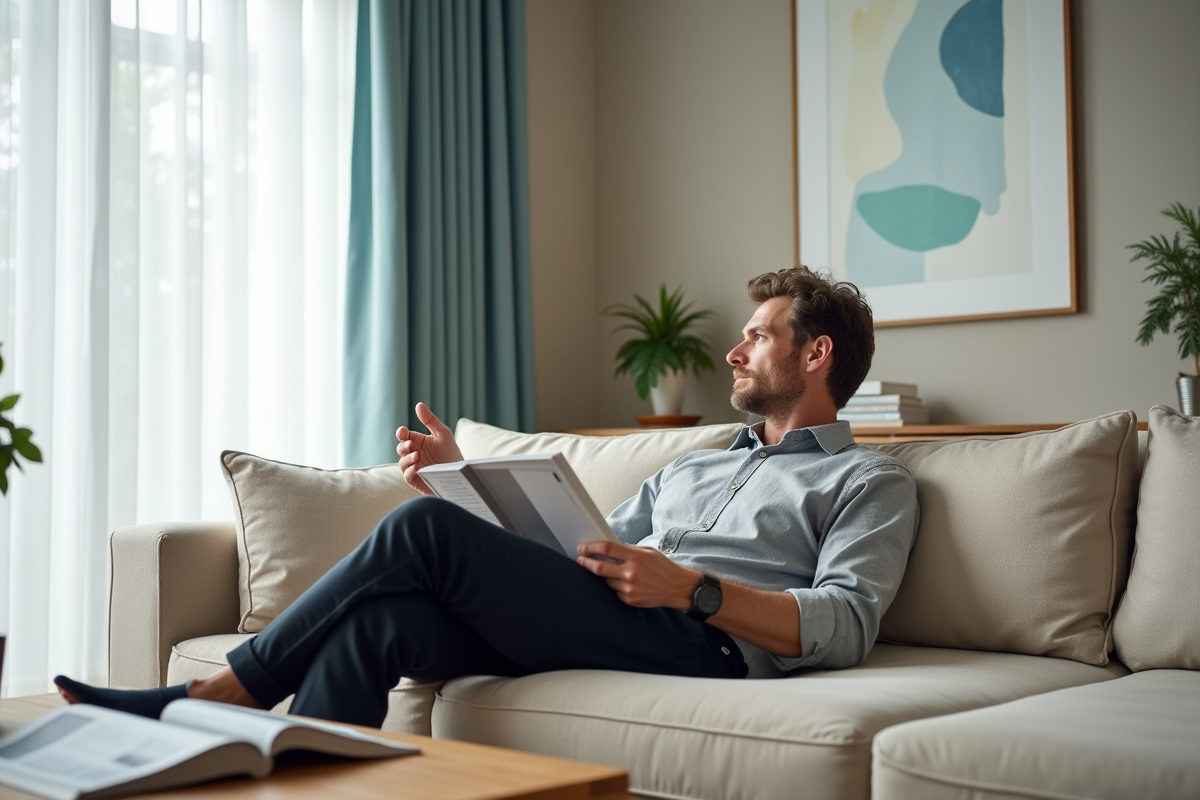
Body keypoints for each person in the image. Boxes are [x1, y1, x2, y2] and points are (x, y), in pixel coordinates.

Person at [55, 266, 919, 726]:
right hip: (616, 617)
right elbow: (576, 557)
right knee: (383, 622)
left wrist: (695, 590)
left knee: (420, 529)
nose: (733, 352)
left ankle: (227, 695)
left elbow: (845, 624)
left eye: (757, 337)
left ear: (816, 356)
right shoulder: (692, 466)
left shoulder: (869, 480)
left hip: (708, 643)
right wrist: (466, 482)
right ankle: (298, 778)